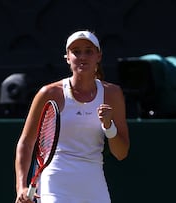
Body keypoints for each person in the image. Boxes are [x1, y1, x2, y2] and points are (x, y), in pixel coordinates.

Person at [14, 30, 130, 203]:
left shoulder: (112, 94)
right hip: (55, 182)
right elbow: (26, 142)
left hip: (93, 184)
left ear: (98, 56)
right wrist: (21, 186)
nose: (82, 57)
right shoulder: (49, 93)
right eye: (76, 52)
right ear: (67, 57)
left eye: (88, 51)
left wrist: (109, 126)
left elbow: (121, 153)